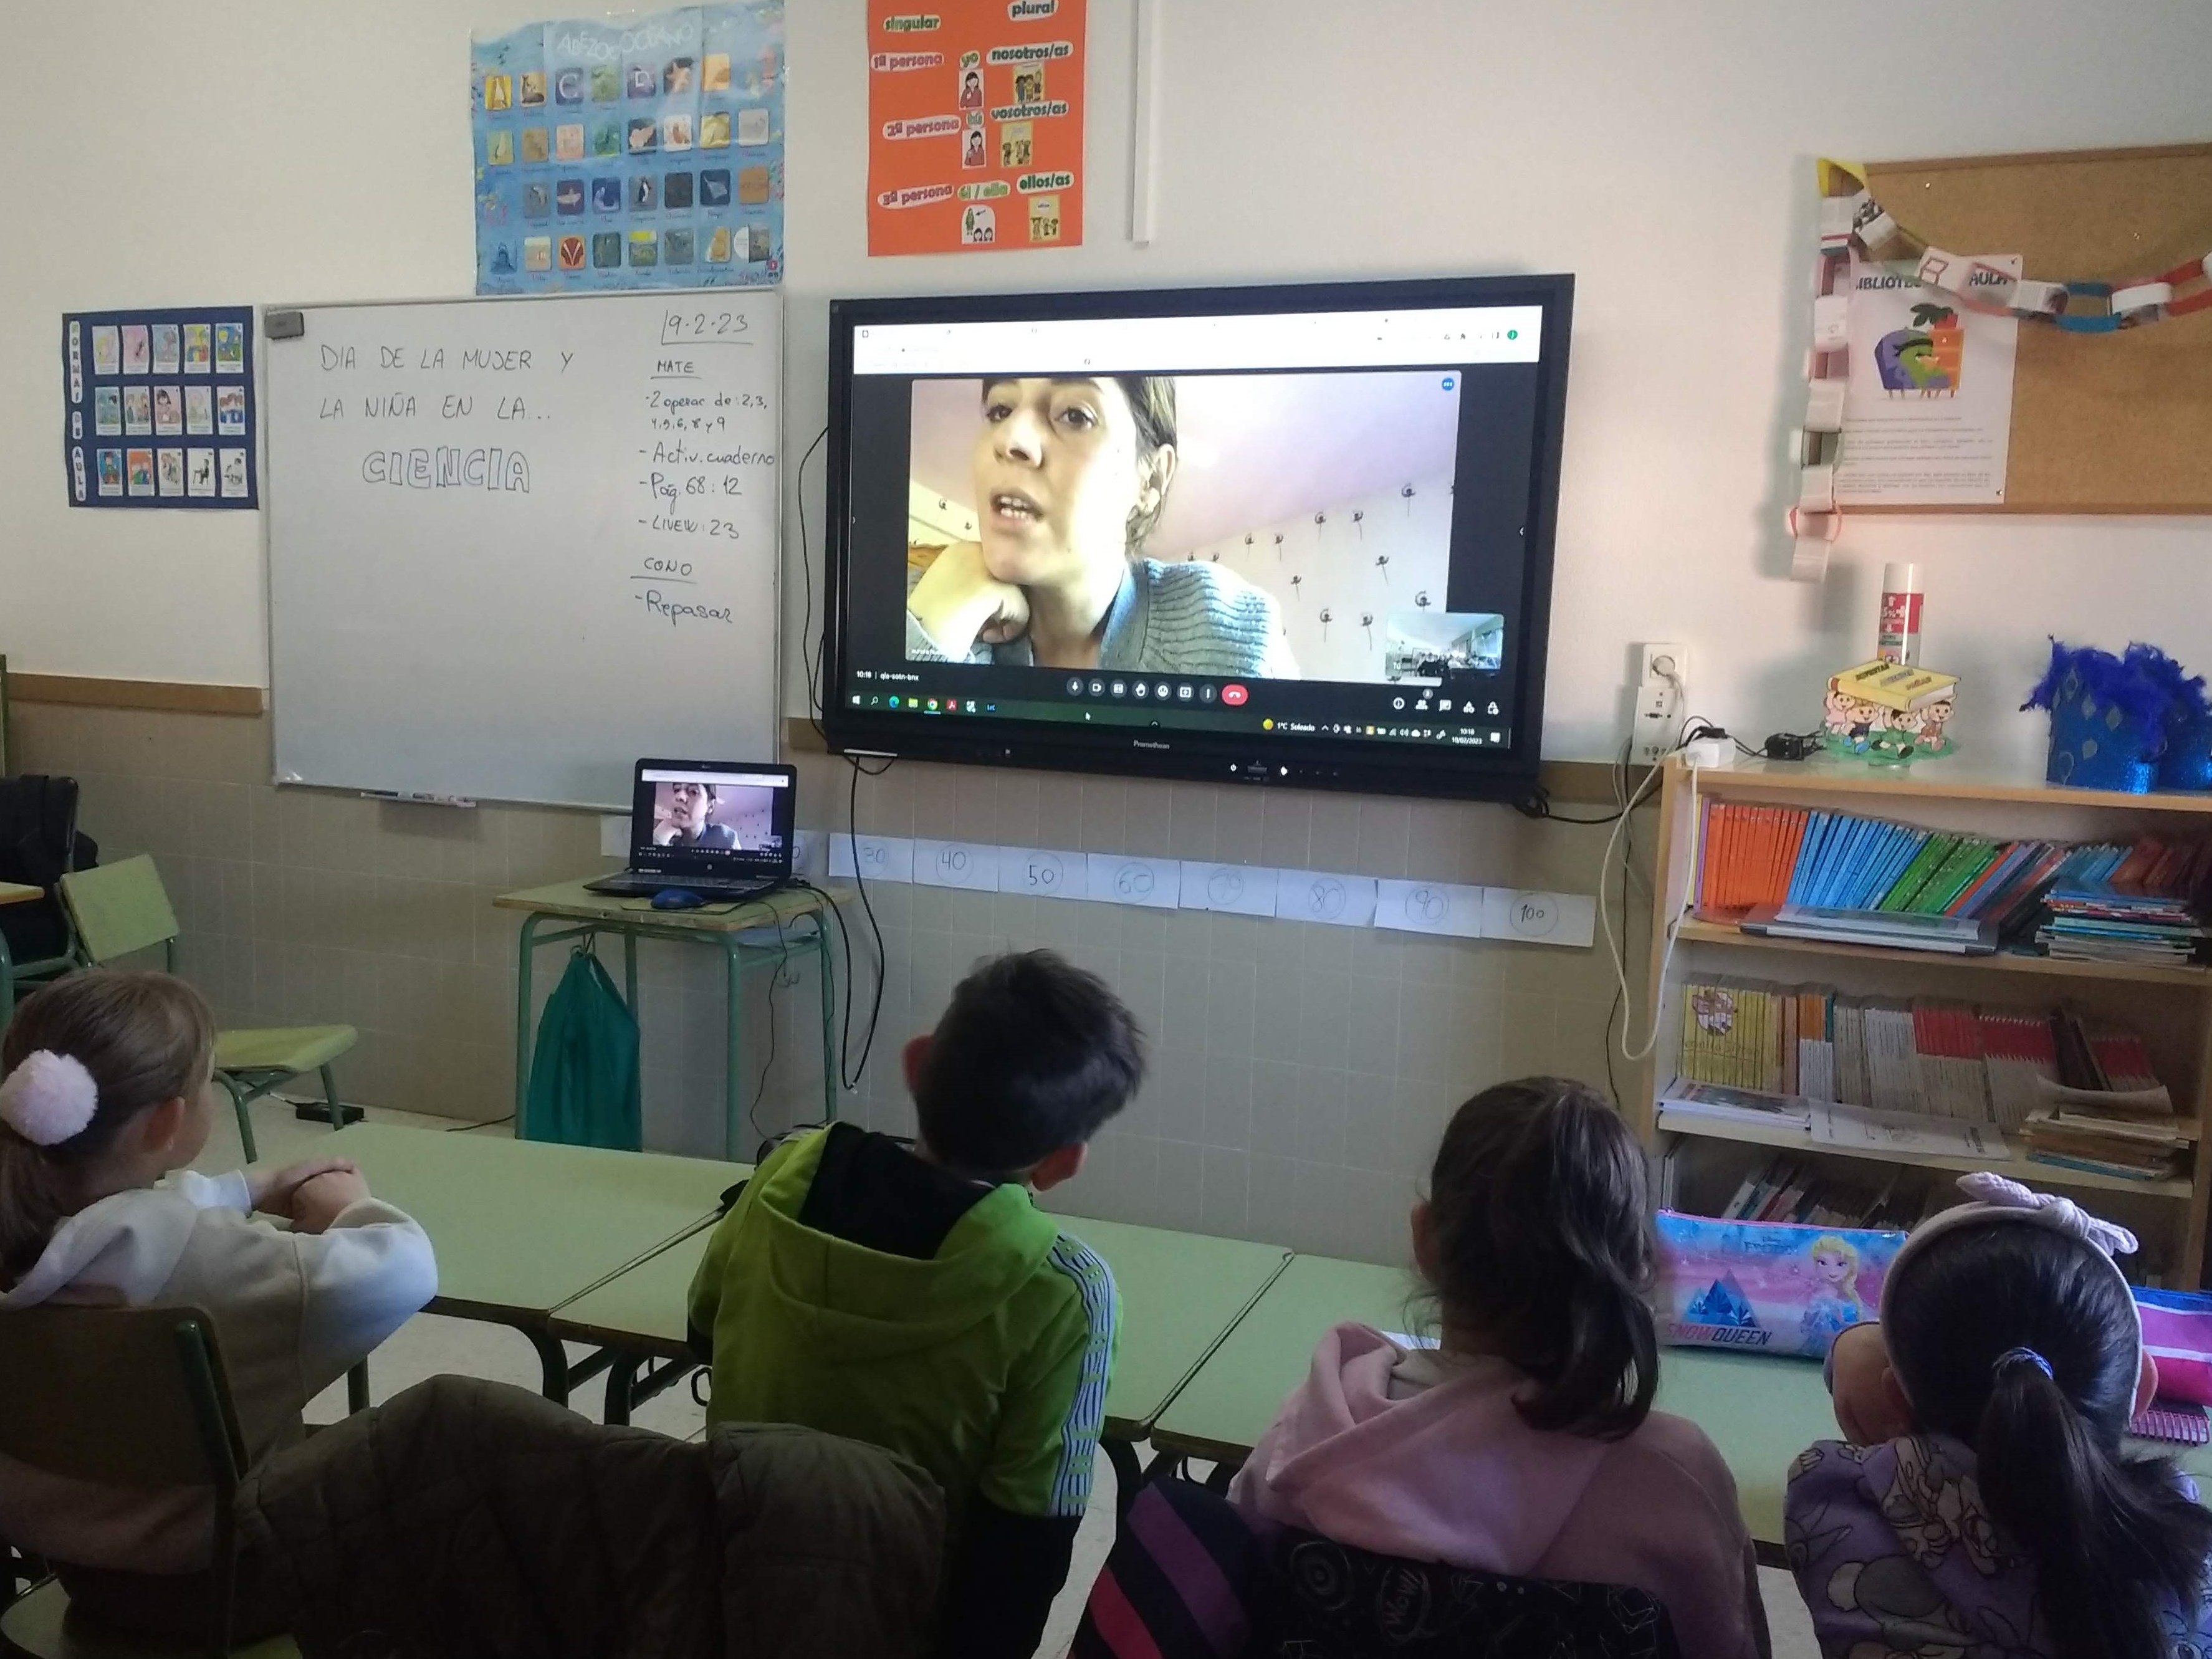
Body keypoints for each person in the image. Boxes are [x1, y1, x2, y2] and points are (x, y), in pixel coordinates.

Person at [687, 949, 1143, 1659]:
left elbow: (703, 1327)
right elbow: (1031, 1535)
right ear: (1063, 1161)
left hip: (721, 1587)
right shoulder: (1066, 1291)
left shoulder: (785, 1171)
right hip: (902, 1627)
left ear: (917, 1062)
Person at [1228, 1077, 1768, 1659]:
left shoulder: (1305, 1440)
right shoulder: (1676, 1480)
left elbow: (1233, 1614)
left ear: (1424, 1239)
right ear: (1636, 1263)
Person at [0, 970, 437, 1640]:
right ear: (171, 1120)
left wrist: (236, 1189)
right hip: (231, 1585)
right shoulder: (216, 1265)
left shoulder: (26, 1230)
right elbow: (404, 1268)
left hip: (75, 1569)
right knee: (449, 1433)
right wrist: (349, 1207)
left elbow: (123, 1224)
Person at [1792, 1171, 2212, 1658]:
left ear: (1896, 1403)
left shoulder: (1832, 1501)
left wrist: (1853, 1343)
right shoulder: (2188, 1550)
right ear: (2141, 1394)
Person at [906, 375, 1298, 676]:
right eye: (1000, 411)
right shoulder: (919, 604)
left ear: (1151, 480)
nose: (1010, 437)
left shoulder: (1230, 631)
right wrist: (928, 636)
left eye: (1075, 416)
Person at [651, 779, 737, 848]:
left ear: (710, 806)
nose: (679, 796)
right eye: (677, 790)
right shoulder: (670, 840)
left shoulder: (724, 837)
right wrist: (657, 839)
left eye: (693, 792)